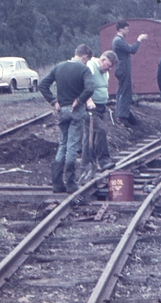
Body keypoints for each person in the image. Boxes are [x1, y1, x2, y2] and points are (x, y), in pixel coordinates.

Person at [39, 44, 95, 193]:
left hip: (62, 110)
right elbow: (90, 88)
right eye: (87, 60)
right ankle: (70, 184)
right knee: (72, 146)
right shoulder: (84, 69)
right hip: (76, 111)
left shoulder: (59, 67)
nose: (86, 63)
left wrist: (53, 101)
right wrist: (80, 101)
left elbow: (43, 85)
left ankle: (57, 183)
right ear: (84, 56)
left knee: (62, 144)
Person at [79, 50, 119, 184]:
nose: (110, 69)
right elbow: (84, 85)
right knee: (101, 130)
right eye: (108, 65)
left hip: (101, 108)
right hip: (91, 107)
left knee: (89, 137)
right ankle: (103, 160)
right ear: (102, 60)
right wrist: (88, 100)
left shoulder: (104, 72)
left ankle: (86, 166)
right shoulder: (91, 67)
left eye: (111, 66)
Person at [112, 21, 148, 127]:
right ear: (120, 29)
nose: (128, 31)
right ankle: (122, 116)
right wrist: (139, 40)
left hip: (122, 69)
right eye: (126, 29)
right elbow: (132, 50)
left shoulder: (119, 40)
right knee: (124, 92)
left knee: (122, 91)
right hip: (123, 69)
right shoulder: (118, 41)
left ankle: (121, 114)